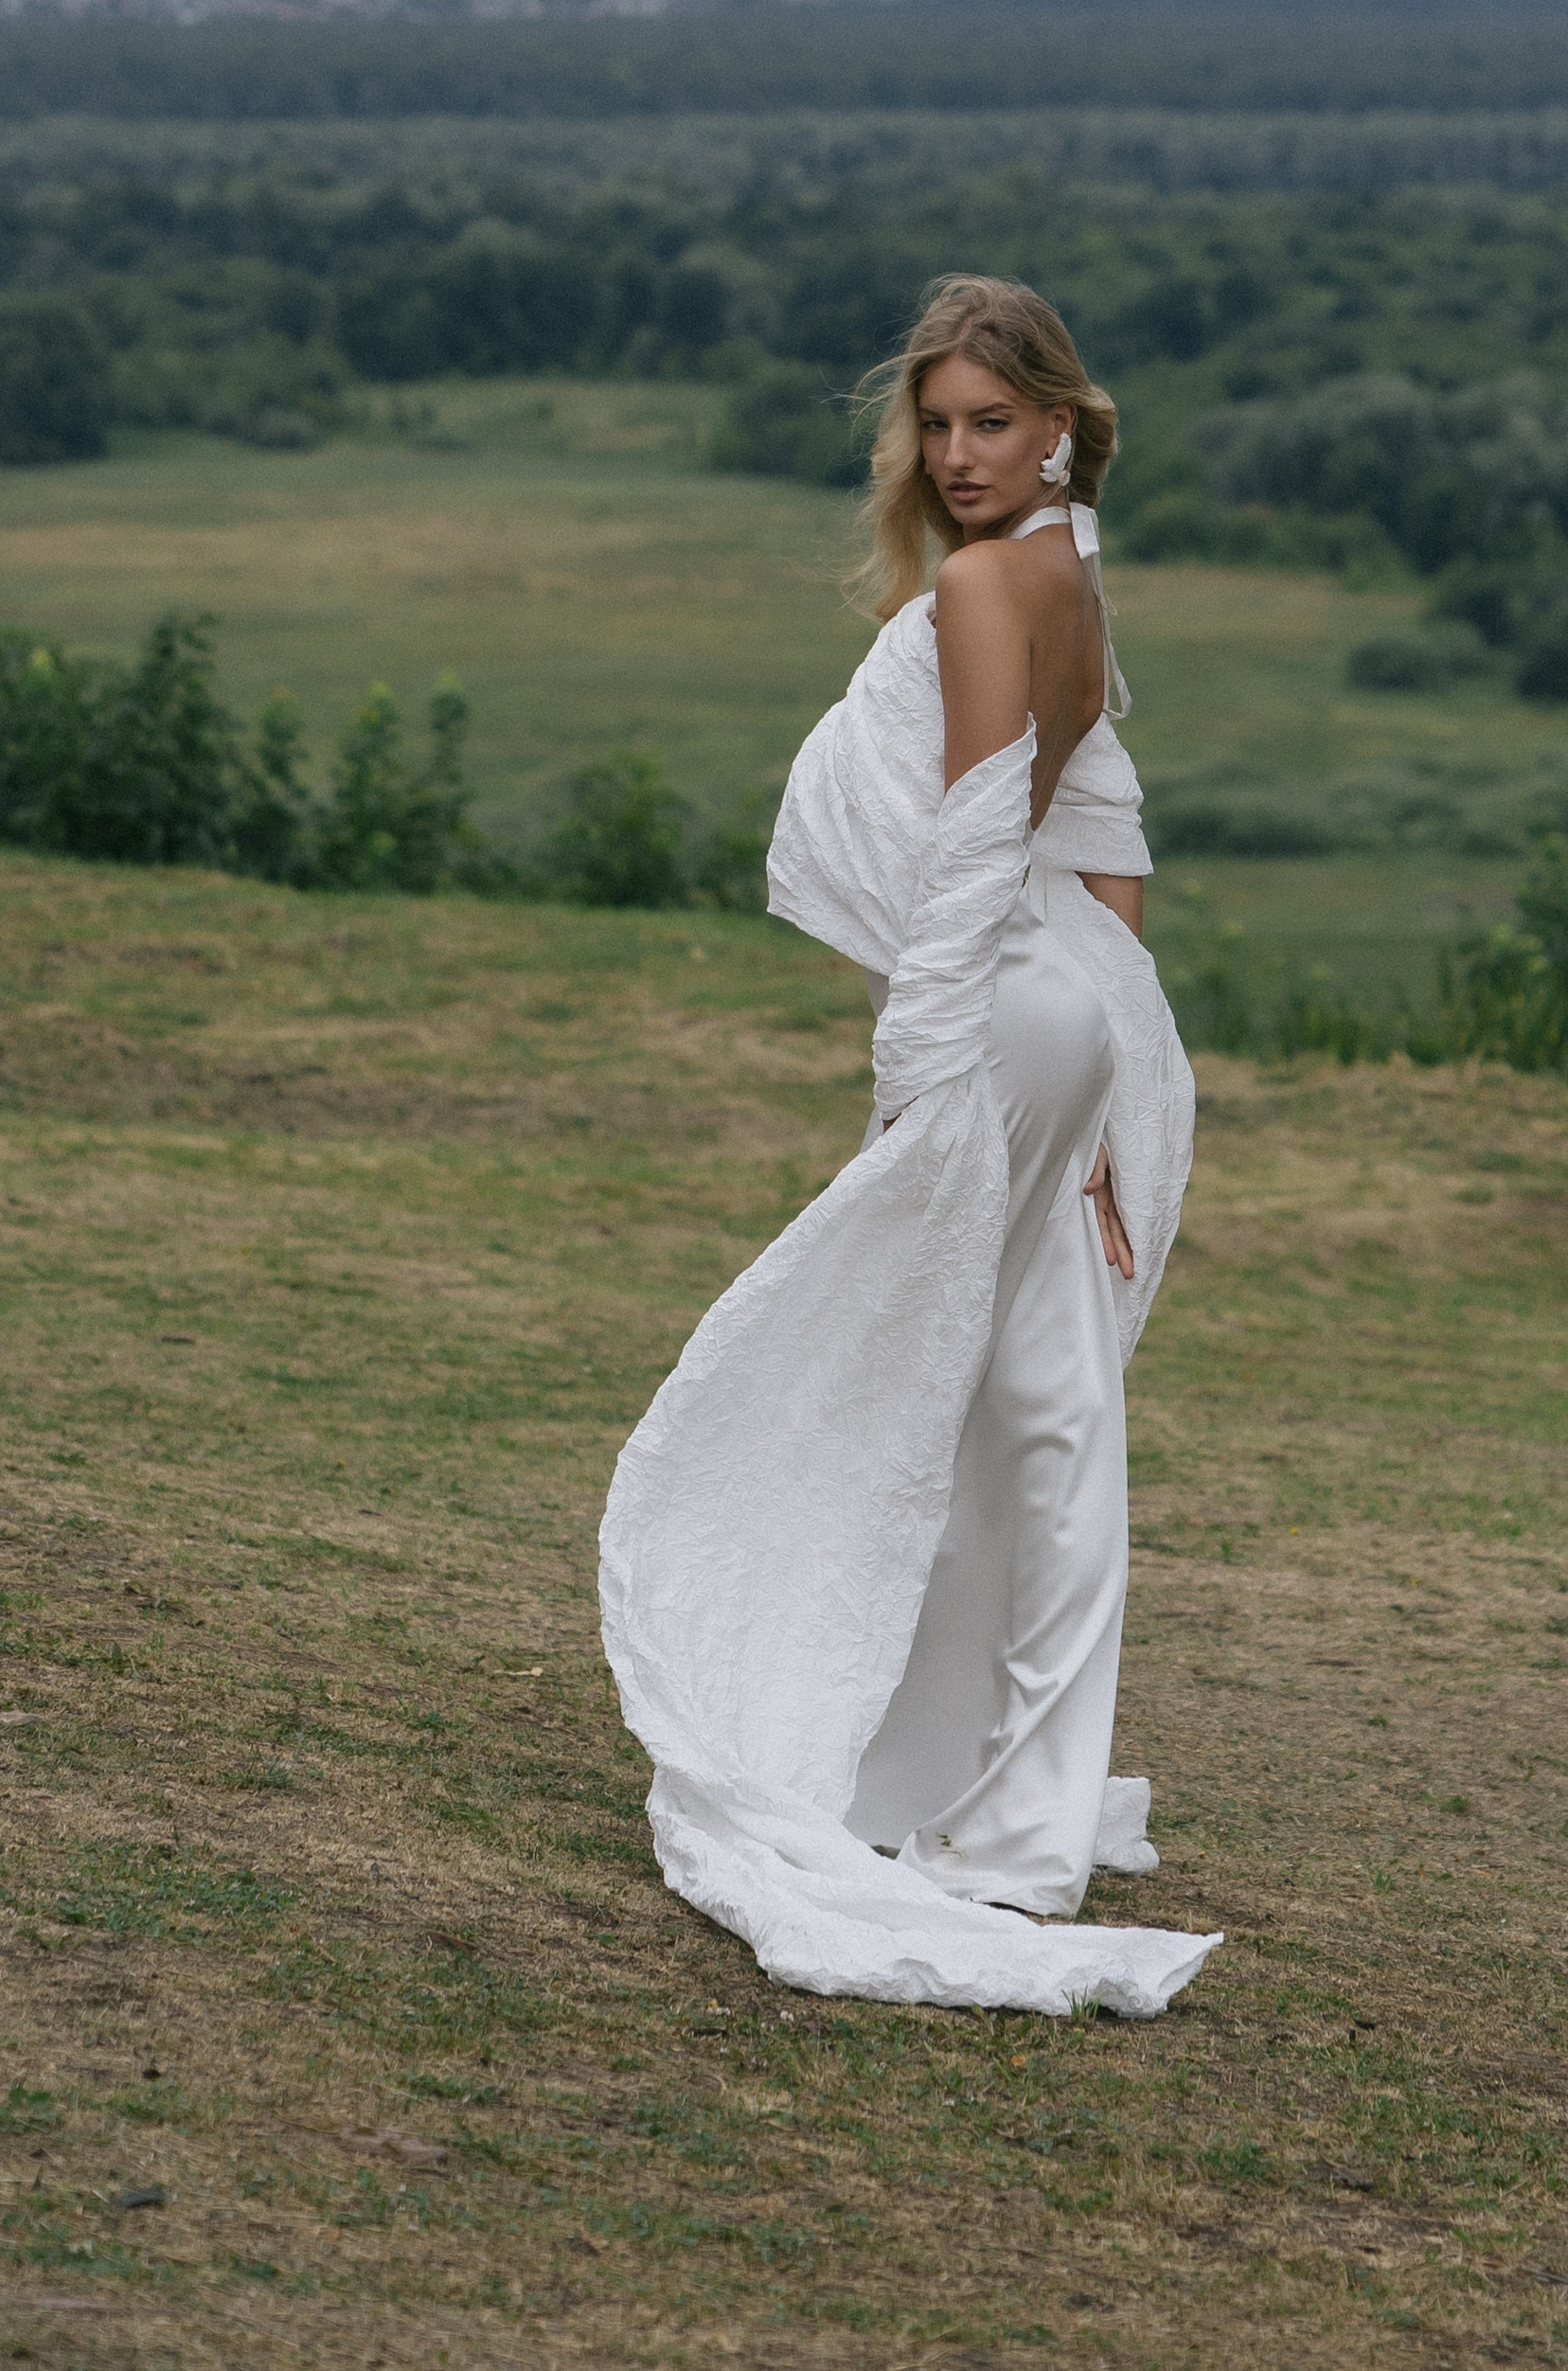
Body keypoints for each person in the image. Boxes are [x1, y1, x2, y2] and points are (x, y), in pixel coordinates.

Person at [598, 276, 1217, 2017]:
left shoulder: (985, 587)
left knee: (923, 1387)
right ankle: (998, 1817)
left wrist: (923, 1078)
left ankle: (952, 1801)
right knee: (1043, 1409)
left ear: (1058, 426)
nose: (956, 455)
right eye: (935, 425)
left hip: (994, 1017)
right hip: (1055, 1018)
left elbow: (977, 843)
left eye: (991, 424)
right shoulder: (1070, 567)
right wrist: (1107, 1081)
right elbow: (1110, 842)